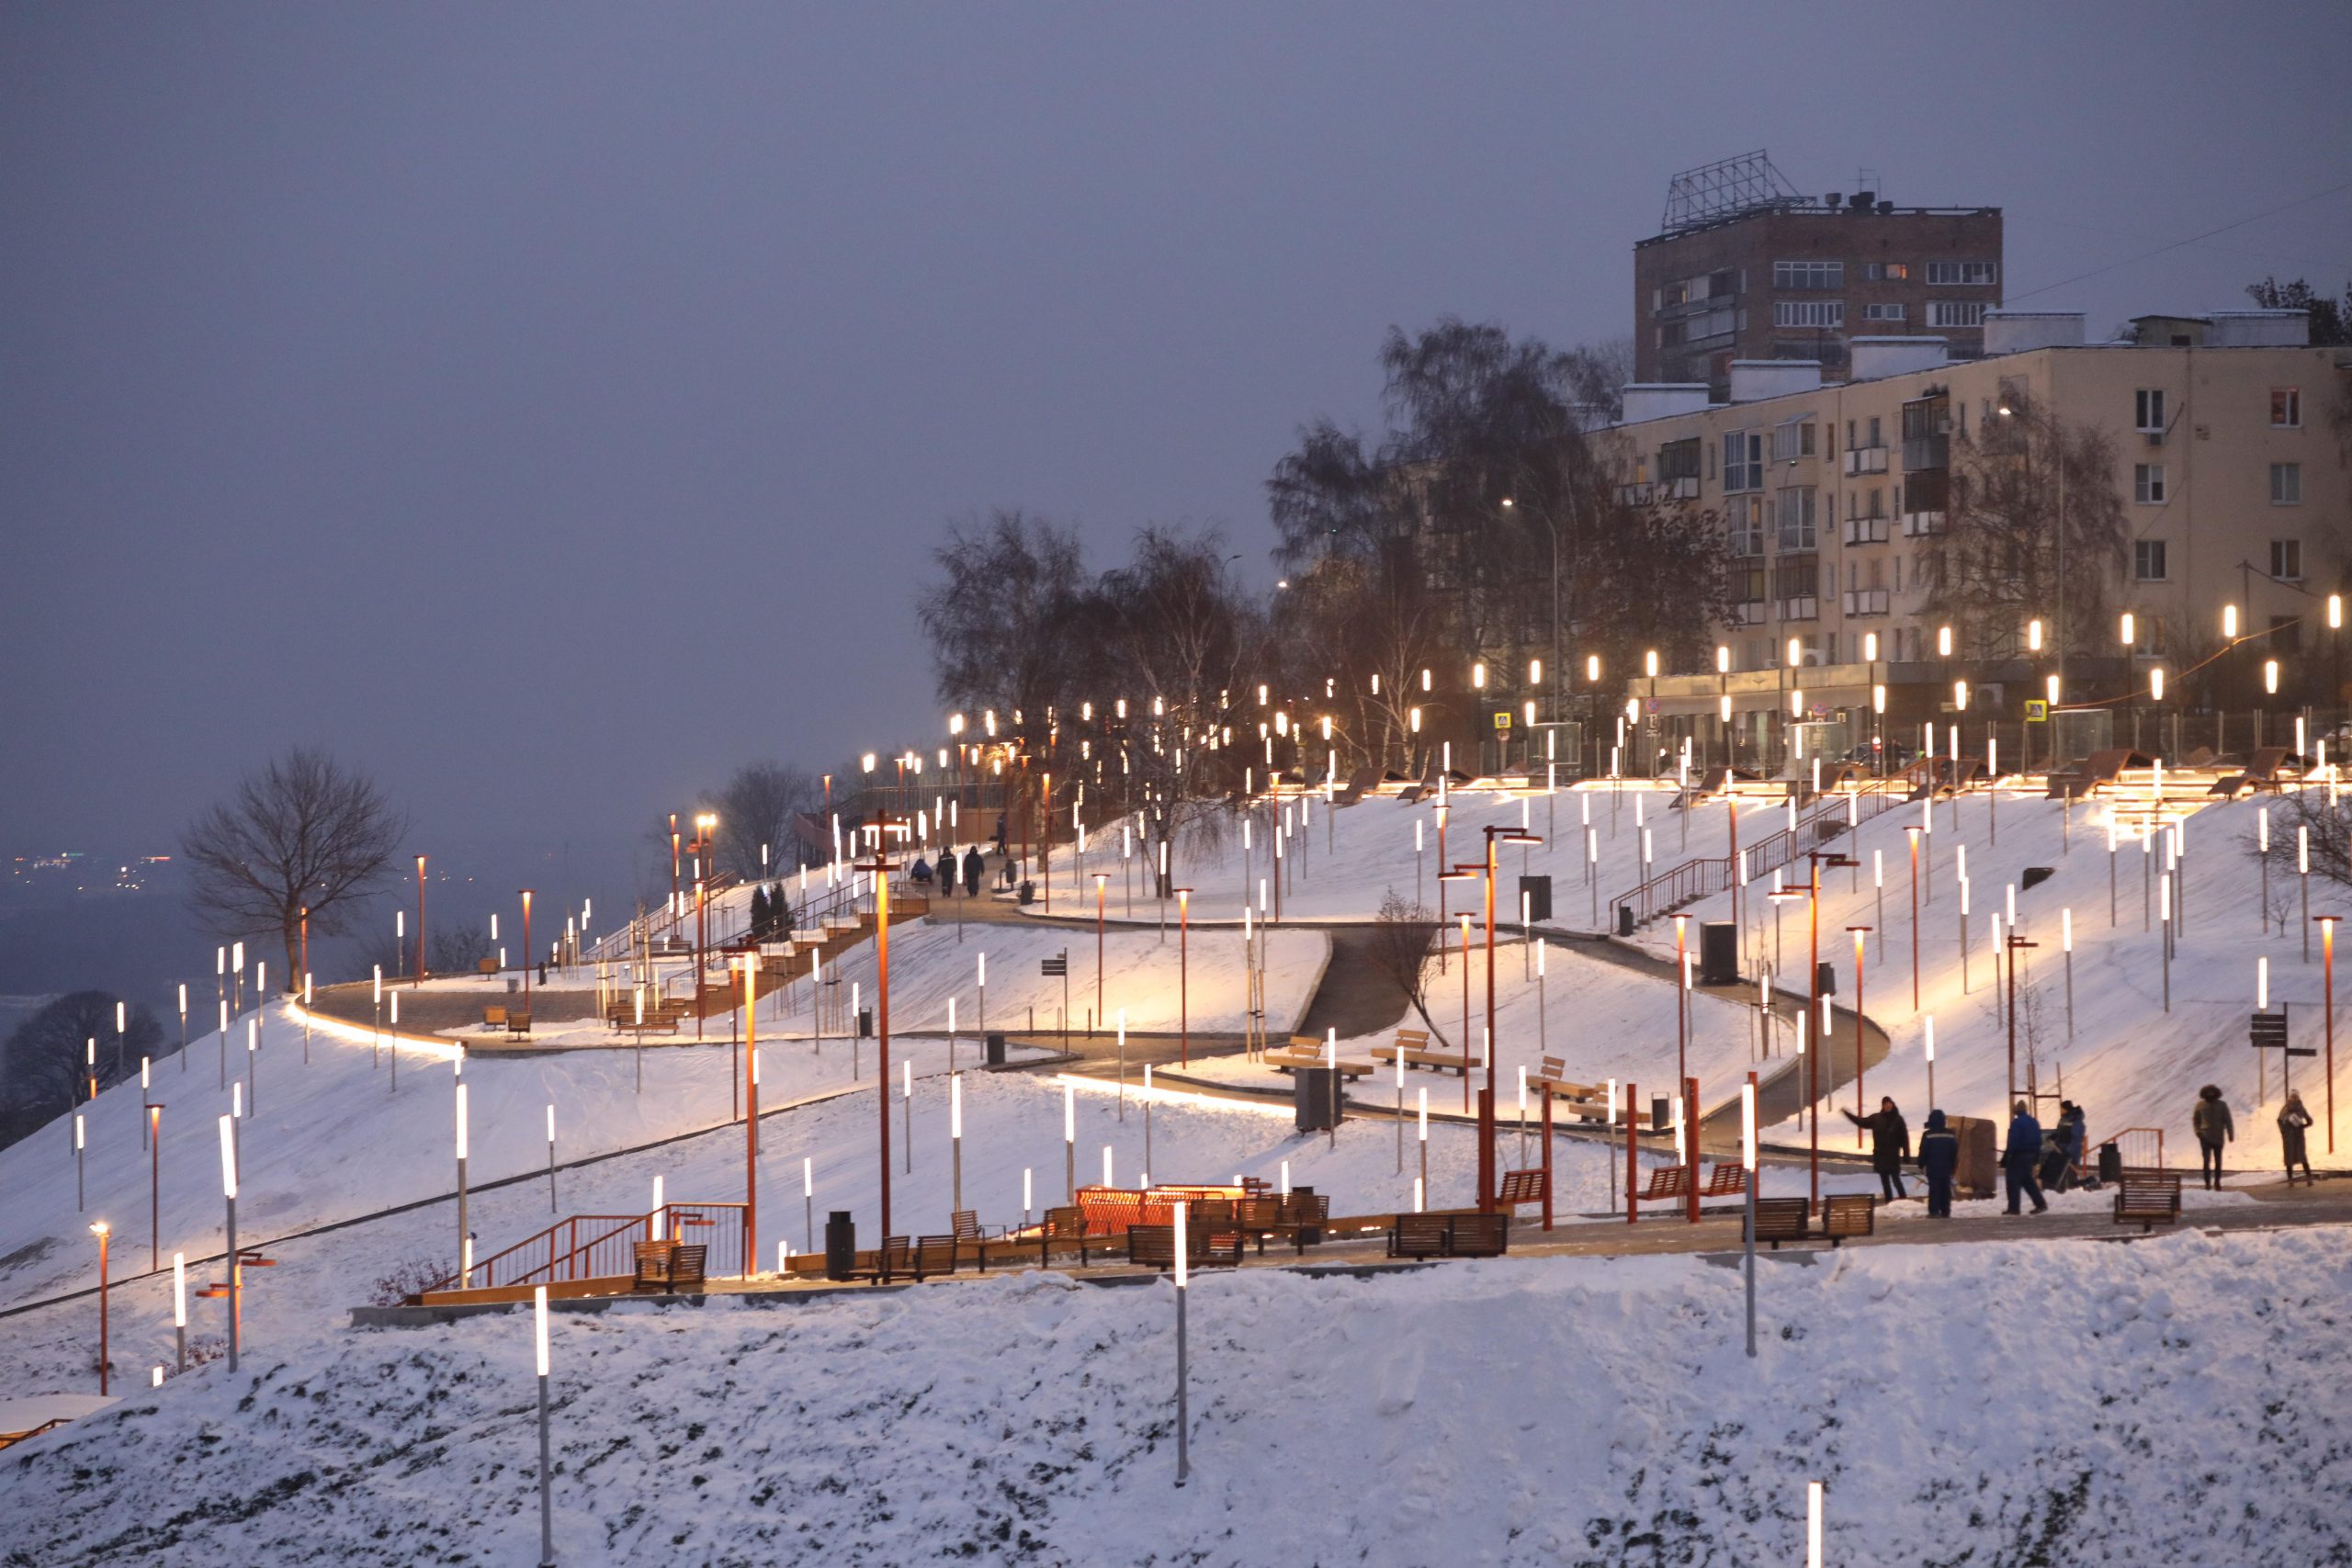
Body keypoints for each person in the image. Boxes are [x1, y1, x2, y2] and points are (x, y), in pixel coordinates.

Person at [1841, 1095, 1912, 1200]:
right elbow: (1861, 1122)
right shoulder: (1876, 1118)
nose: (1888, 1106)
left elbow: (1904, 1139)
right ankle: (1889, 1203)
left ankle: (1903, 1200)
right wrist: (1848, 1115)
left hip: (1893, 1157)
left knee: (1896, 1180)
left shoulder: (1898, 1120)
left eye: (1889, 1104)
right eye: (1885, 1104)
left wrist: (1906, 1155)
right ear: (1883, 1106)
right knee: (1885, 1182)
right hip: (1880, 1157)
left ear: (1892, 1104)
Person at [2003, 1100, 2048, 1215]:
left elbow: (2013, 1141)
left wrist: (2007, 1156)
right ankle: (2041, 1204)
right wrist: (2036, 1156)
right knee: (2027, 1181)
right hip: (2030, 1155)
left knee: (2013, 1182)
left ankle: (2014, 1208)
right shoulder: (2034, 1122)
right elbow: (2039, 1140)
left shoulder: (2017, 1123)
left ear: (2017, 1110)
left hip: (2018, 1155)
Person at [1917, 1110, 1960, 1218]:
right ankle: (1946, 1211)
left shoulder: (1927, 1134)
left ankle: (1934, 1211)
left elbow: (1923, 1151)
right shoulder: (1950, 1134)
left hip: (1933, 1167)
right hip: (1946, 1167)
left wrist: (1921, 1163)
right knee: (1945, 1188)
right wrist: (1953, 1165)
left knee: (1934, 1189)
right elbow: (1954, 1151)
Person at [2193, 1084, 2234, 1190]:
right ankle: (2207, 1183)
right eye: (2208, 1093)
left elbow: (2228, 1120)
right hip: (2205, 1137)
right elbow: (2196, 1120)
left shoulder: (2222, 1105)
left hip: (2218, 1137)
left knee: (2218, 1161)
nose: (2210, 1095)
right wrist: (2198, 1131)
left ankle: (2217, 1182)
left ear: (2216, 1094)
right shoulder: (2200, 1105)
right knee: (2206, 1161)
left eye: (2212, 1093)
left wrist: (2231, 1134)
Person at [2278, 1091, 2315, 1186]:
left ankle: (2309, 1178)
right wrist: (2283, 1130)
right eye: (2292, 1097)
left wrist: (2303, 1126)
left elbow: (2309, 1120)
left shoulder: (2301, 1108)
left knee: (2302, 1156)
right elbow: (2279, 1120)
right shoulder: (2285, 1109)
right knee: (2289, 1158)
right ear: (2290, 1098)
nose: (2294, 1099)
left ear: (2298, 1098)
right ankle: (2290, 1179)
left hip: (2298, 1137)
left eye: (2295, 1097)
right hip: (2289, 1137)